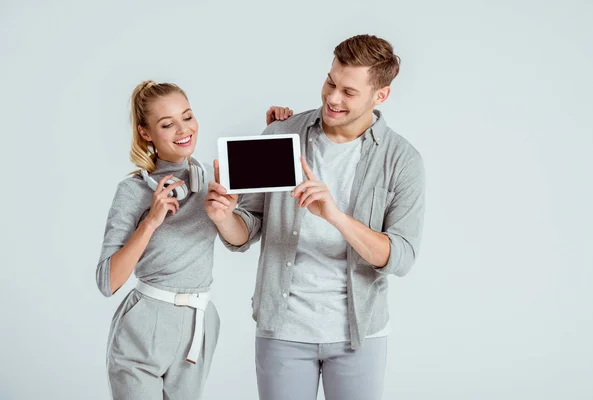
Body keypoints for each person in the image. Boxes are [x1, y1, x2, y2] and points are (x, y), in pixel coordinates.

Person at [205, 34, 426, 400]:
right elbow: (248, 227)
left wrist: (335, 216)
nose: (333, 98)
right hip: (283, 328)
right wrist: (224, 217)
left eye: (349, 92)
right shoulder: (281, 133)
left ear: (380, 95)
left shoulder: (402, 160)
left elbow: (400, 257)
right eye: (330, 82)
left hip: (359, 333)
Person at [95, 79, 291, 399]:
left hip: (198, 327)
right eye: (167, 124)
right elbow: (107, 281)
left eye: (187, 116)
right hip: (144, 323)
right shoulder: (133, 190)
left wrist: (280, 129)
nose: (183, 129)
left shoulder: (214, 179)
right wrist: (150, 223)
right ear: (146, 133)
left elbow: (243, 238)